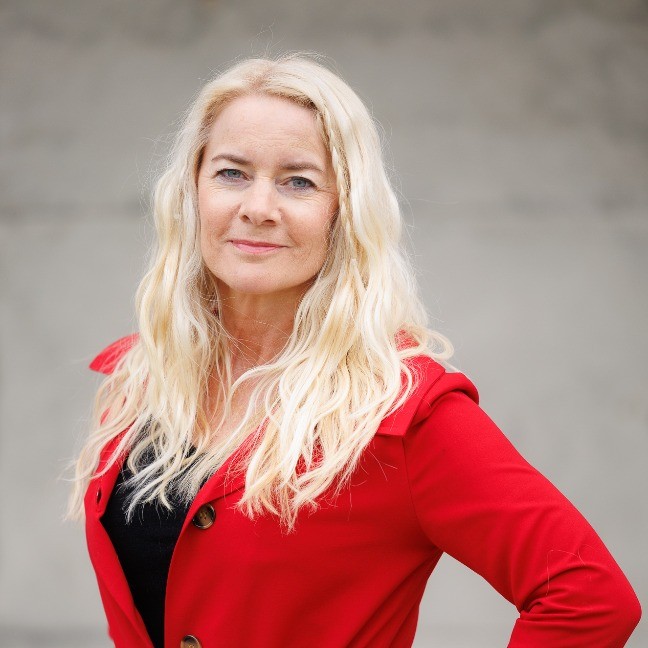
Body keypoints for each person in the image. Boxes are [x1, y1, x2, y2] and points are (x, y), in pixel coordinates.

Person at [68, 53, 641, 648]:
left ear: (343, 210)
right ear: (193, 191)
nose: (258, 208)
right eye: (232, 173)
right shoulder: (142, 380)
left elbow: (589, 597)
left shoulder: (401, 415)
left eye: (298, 181)